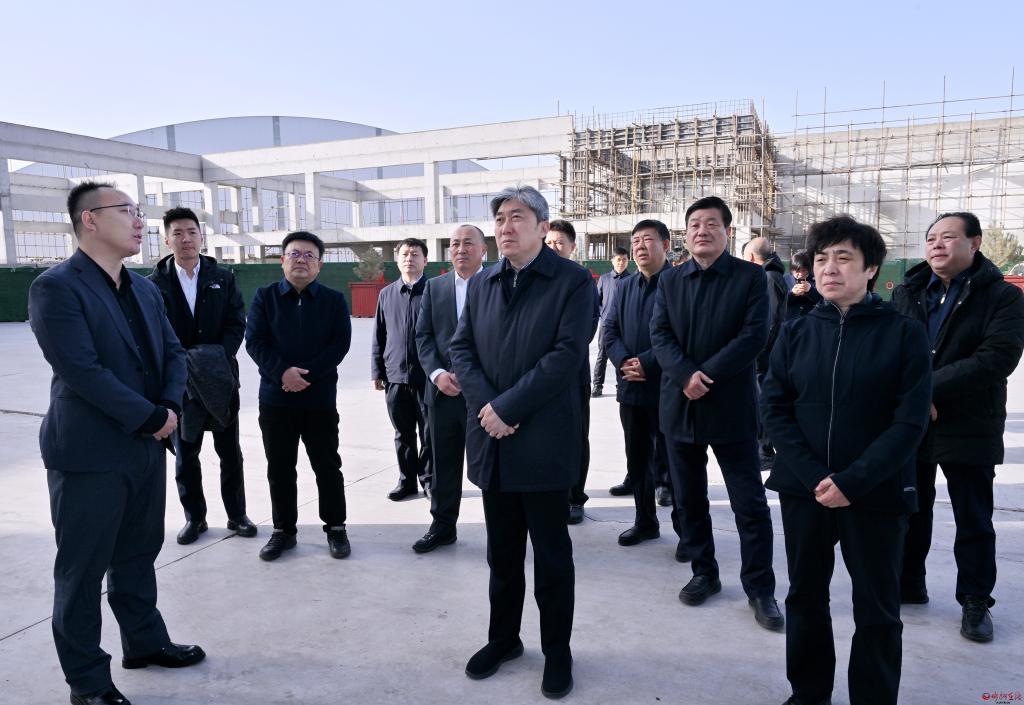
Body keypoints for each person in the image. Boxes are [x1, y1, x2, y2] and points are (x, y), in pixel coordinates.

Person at [29, 181, 203, 705]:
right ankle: (87, 682)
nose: (140, 221)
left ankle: (145, 642)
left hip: (147, 446)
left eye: (138, 211)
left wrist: (168, 409)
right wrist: (150, 416)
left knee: (138, 554)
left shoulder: (146, 289)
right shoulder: (56, 287)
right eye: (127, 210)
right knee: (81, 571)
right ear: (90, 219)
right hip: (89, 454)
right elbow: (81, 369)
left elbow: (174, 353)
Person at [762, 215, 932, 705]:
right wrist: (816, 476)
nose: (829, 268)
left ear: (871, 268)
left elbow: (909, 422)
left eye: (843, 258)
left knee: (877, 607)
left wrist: (853, 481)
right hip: (805, 490)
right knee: (805, 596)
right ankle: (808, 692)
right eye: (821, 259)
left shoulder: (903, 334)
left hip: (876, 493)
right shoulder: (795, 332)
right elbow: (774, 408)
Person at [450, 186, 594, 699]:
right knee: (502, 556)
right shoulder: (484, 282)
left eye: (517, 217)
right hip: (493, 442)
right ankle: (504, 639)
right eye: (500, 219)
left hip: (543, 443)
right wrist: (489, 406)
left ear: (542, 226)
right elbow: (461, 349)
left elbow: (566, 355)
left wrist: (507, 408)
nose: (505, 227)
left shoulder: (572, 282)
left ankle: (557, 652)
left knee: (552, 560)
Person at [650, 195, 783, 631]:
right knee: (689, 500)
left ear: (728, 231)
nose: (702, 231)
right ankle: (703, 572)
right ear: (685, 234)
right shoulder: (671, 280)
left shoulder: (750, 277)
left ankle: (760, 588)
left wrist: (705, 375)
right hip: (680, 406)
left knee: (749, 504)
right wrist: (685, 375)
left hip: (730, 407)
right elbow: (660, 334)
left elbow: (754, 335)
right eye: (694, 224)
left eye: (711, 224)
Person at [894, 211, 1024, 643]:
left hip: (970, 420)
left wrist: (926, 390)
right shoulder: (909, 291)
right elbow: (891, 350)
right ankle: (909, 583)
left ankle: (975, 600)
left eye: (948, 237)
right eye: (931, 237)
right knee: (911, 507)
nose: (937, 244)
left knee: (973, 517)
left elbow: (997, 357)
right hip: (914, 422)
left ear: (975, 243)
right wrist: (913, 399)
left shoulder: (1001, 297)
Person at [149, 206, 256, 545]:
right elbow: (154, 333)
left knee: (230, 452)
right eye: (178, 233)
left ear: (201, 236)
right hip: (179, 385)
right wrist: (183, 363)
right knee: (185, 455)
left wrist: (216, 358)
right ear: (167, 241)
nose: (186, 239)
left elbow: (236, 322)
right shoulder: (153, 285)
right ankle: (195, 518)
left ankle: (237, 515)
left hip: (220, 379)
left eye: (192, 232)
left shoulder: (222, 277)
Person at [245, 231, 353, 561]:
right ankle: (283, 531)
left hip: (319, 400)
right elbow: (255, 341)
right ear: (282, 261)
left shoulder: (334, 300)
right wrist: (282, 373)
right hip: (276, 400)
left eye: (309, 255)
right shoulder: (265, 297)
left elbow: (339, 345)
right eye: (294, 254)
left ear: (319, 265)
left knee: (327, 465)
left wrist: (304, 376)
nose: (301, 260)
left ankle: (336, 527)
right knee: (280, 467)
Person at [412, 224, 486, 553]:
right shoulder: (435, 287)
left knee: (492, 465)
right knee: (443, 464)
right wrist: (437, 373)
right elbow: (423, 335)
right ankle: (442, 526)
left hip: (486, 396)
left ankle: (503, 531)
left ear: (484, 250)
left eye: (468, 243)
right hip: (444, 394)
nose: (460, 249)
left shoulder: (498, 283)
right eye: (454, 244)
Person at [603, 219, 676, 547]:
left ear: (666, 244)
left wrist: (646, 362)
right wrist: (623, 361)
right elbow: (610, 330)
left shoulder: (678, 284)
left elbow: (681, 335)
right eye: (635, 241)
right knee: (637, 458)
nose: (640, 247)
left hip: (668, 387)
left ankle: (687, 532)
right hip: (631, 388)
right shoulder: (625, 286)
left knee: (675, 461)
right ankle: (645, 521)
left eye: (648, 239)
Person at [544, 220, 599, 525]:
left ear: (572, 247)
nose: (553, 247)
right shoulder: (537, 278)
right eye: (548, 242)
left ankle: (575, 497)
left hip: (572, 373)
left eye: (559, 243)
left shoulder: (580, 280)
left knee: (576, 436)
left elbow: (586, 330)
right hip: (539, 374)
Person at [372, 238, 433, 501]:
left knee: (429, 434)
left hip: (428, 377)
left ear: (425, 260)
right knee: (403, 433)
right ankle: (406, 481)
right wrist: (377, 371)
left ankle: (429, 481)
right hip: (395, 377)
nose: (409, 258)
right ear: (397, 260)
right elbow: (379, 335)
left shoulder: (434, 291)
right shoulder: (386, 294)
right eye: (405, 254)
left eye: (415, 254)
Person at [743, 236, 788, 471]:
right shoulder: (772, 275)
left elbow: (769, 322)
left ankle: (765, 452)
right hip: (767, 354)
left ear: (751, 257)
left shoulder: (769, 278)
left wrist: (755, 351)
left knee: (764, 403)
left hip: (765, 356)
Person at [593, 246, 630, 398]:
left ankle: (621, 385)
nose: (621, 262)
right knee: (602, 355)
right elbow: (597, 301)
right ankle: (597, 386)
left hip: (625, 325)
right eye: (618, 259)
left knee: (623, 355)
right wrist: (603, 315)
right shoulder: (604, 279)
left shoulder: (632, 279)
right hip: (606, 325)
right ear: (612, 261)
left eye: (624, 259)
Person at [784, 250, 821, 321]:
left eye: (804, 270)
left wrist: (810, 290)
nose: (801, 274)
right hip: (790, 321)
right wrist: (792, 293)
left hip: (810, 320)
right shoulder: (785, 279)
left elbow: (822, 301)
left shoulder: (816, 279)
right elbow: (779, 302)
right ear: (791, 270)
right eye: (797, 271)